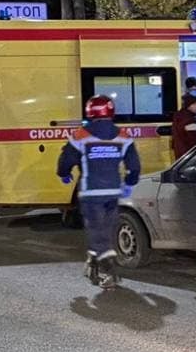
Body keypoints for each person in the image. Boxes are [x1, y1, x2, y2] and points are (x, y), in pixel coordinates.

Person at [57, 95, 141, 289]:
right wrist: (129, 183)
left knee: (96, 231)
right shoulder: (124, 136)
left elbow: (66, 160)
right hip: (113, 192)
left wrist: (64, 174)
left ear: (90, 111)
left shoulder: (81, 135)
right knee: (105, 230)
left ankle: (107, 267)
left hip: (91, 193)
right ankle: (94, 262)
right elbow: (134, 166)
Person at [172, 94, 196, 159]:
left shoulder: (178, 116)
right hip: (190, 156)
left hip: (180, 156)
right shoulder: (189, 120)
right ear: (188, 105)